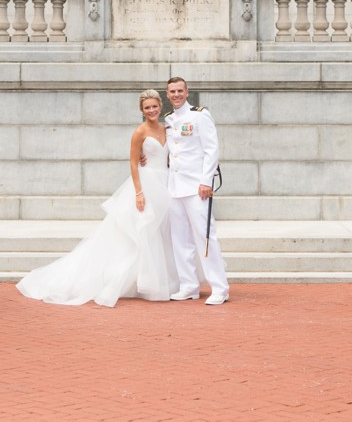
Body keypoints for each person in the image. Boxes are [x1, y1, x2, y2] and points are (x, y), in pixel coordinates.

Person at [16, 89, 178, 307]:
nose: (151, 110)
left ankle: (160, 280)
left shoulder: (168, 128)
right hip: (146, 185)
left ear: (160, 106)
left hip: (166, 184)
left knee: (160, 233)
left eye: (154, 106)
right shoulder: (139, 132)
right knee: (140, 233)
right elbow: (132, 163)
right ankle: (139, 282)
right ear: (142, 110)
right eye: (147, 107)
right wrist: (139, 193)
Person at [164, 77, 230, 305]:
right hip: (174, 187)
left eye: (180, 91)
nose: (176, 95)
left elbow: (211, 149)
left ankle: (220, 288)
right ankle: (188, 285)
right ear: (167, 94)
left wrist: (206, 182)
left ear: (187, 91)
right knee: (180, 240)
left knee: (205, 237)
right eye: (172, 91)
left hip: (196, 187)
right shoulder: (169, 119)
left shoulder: (200, 115)